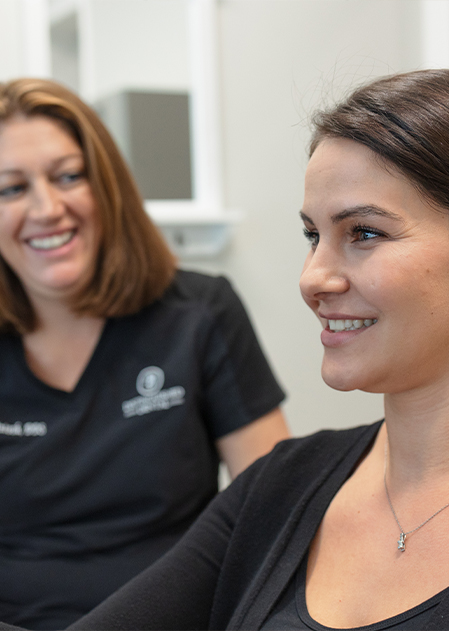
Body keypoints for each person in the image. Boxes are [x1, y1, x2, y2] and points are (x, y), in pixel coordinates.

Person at [30, 67, 449, 631]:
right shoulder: (283, 485)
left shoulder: (196, 314)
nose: (314, 277)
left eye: (364, 232)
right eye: (313, 235)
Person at [0, 78, 289, 630]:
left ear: (106, 186)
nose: (47, 208)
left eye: (68, 176)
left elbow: (277, 509)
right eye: (11, 189)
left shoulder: (201, 313)